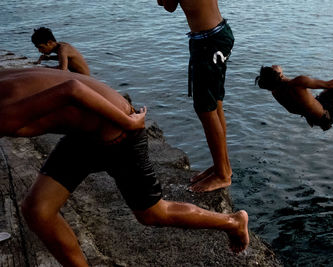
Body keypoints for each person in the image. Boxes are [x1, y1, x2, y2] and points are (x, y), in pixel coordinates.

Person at [0, 68, 249, 266]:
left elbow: (71, 88)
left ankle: (232, 221)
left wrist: (128, 124)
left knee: (153, 214)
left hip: (117, 130)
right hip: (86, 133)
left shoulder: (3, 115)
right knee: (37, 210)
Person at [157, 0, 234, 192]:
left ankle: (222, 175)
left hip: (208, 43)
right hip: (219, 34)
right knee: (215, 104)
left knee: (205, 109)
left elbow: (168, 6)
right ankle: (223, 166)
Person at [255, 65, 333, 134]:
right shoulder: (298, 82)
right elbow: (328, 85)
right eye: (272, 68)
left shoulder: (275, 92)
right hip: (326, 115)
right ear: (278, 74)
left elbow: (291, 105)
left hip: (314, 115)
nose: (274, 65)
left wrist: (281, 76)